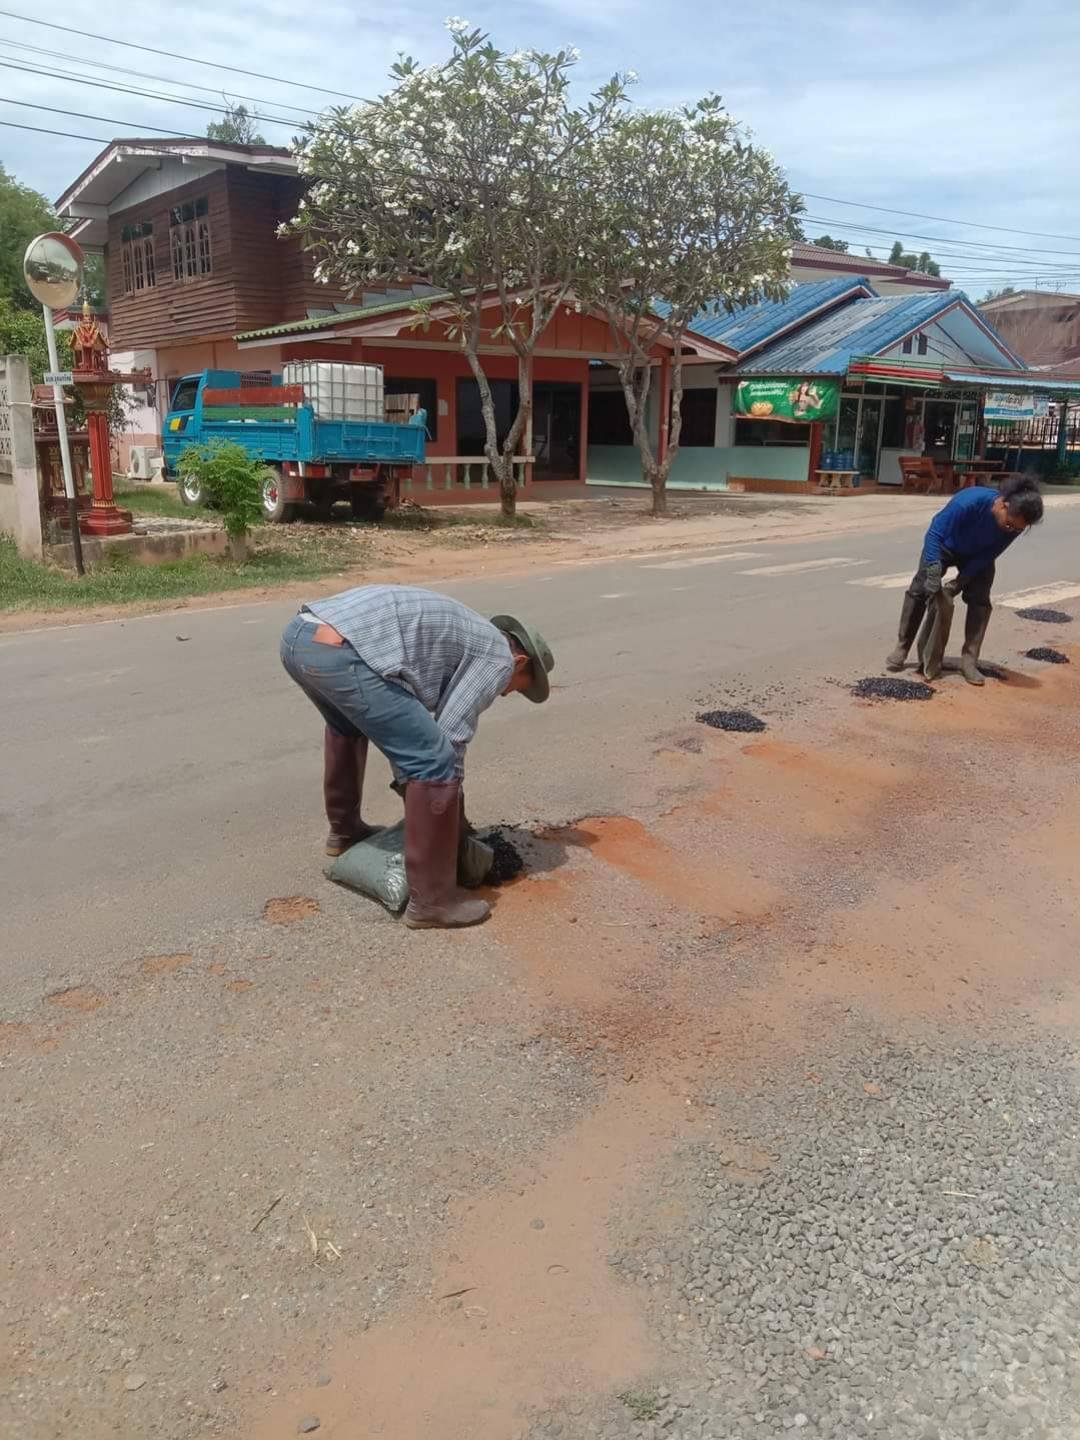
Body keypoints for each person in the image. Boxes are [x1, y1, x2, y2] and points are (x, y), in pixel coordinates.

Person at [280, 585, 553, 930]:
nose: (509, 692)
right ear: (520, 661)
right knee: (434, 759)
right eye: (519, 685)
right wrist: (449, 817)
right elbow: (449, 737)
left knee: (347, 726)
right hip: (344, 653)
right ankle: (433, 902)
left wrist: (419, 786)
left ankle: (345, 833)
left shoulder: (470, 633)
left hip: (301, 638)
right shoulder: (498, 656)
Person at [886, 475, 1044, 685]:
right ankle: (902, 646)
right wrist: (933, 570)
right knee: (920, 588)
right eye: (1009, 525)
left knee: (979, 599)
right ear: (1002, 505)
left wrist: (961, 581)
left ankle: (969, 660)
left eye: (1017, 529)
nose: (1011, 530)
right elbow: (934, 533)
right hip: (945, 546)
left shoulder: (1014, 524)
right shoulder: (968, 502)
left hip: (978, 555)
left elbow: (990, 553)